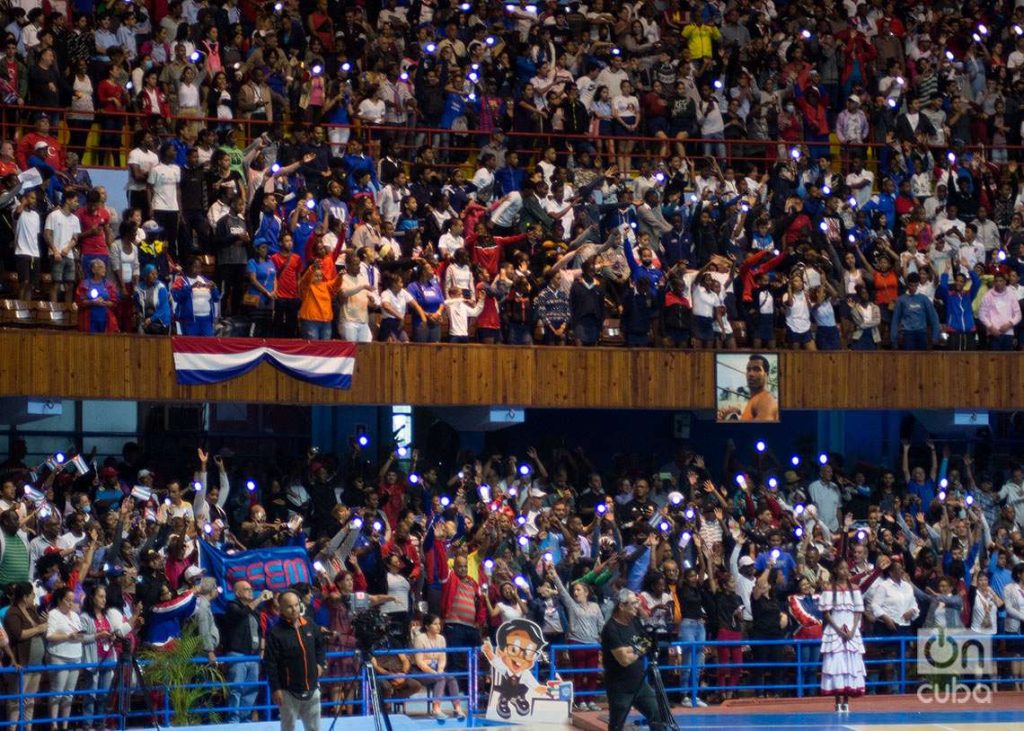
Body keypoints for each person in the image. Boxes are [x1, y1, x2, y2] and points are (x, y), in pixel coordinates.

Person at [600, 589, 668, 731]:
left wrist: (632, 649)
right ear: (622, 605)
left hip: (639, 683)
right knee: (617, 725)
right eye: (633, 603)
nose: (637, 606)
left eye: (637, 602)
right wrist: (638, 648)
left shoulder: (635, 622)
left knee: (657, 715)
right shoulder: (610, 629)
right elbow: (624, 659)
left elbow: (646, 642)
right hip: (619, 687)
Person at [264, 590, 327, 731]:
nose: (294, 610)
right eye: (289, 607)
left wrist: (321, 664)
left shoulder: (310, 624)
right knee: (288, 728)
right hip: (287, 691)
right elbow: (270, 663)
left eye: (296, 605)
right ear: (281, 609)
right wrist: (276, 689)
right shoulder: (275, 633)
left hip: (312, 688)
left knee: (315, 728)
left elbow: (320, 646)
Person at [818, 561, 866, 713]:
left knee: (850, 664)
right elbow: (826, 613)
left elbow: (858, 611)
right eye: (841, 568)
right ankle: (837, 700)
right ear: (836, 570)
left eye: (846, 568)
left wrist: (853, 629)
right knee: (836, 664)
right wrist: (838, 629)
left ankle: (846, 700)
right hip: (835, 630)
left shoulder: (855, 589)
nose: (844, 571)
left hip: (852, 630)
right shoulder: (829, 589)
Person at [223, 580, 268, 723]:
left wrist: (261, 649)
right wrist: (260, 599)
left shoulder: (255, 611)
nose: (251, 591)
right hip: (237, 655)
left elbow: (260, 631)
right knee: (236, 689)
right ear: (237, 593)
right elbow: (242, 614)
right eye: (247, 589)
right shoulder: (232, 606)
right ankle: (233, 721)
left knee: (251, 690)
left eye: (251, 588)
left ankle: (245, 719)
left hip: (252, 656)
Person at [740, 354, 778, 421]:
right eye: (748, 370)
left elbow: (762, 430)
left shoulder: (765, 401)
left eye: (756, 369)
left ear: (767, 375)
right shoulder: (756, 399)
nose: (750, 374)